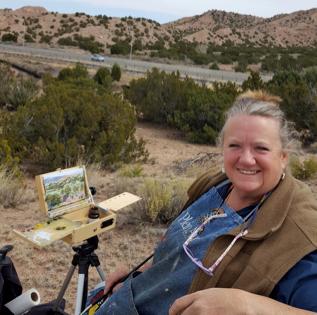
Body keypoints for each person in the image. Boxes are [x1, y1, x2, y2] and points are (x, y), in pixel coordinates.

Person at [89, 90, 317, 314]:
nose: (246, 159)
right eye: (235, 146)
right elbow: (181, 254)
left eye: (261, 148)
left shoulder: (298, 233)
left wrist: (247, 305)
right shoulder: (215, 185)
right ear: (222, 148)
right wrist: (138, 276)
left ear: (283, 156)